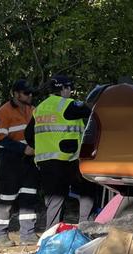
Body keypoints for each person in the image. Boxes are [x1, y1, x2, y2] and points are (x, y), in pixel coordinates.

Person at [25, 75, 96, 229]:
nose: (71, 92)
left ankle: (50, 237)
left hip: (46, 162)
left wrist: (44, 147)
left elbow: (28, 135)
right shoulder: (68, 105)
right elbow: (93, 112)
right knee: (88, 189)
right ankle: (86, 228)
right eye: (70, 88)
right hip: (68, 160)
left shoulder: (40, 108)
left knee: (54, 201)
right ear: (64, 88)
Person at [0, 79, 39, 247]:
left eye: (31, 92)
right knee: (7, 198)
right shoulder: (3, 112)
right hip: (10, 160)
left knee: (29, 195)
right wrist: (23, 149)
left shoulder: (32, 110)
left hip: (28, 161)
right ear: (16, 94)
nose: (30, 95)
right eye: (27, 93)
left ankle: (28, 234)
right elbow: (0, 139)